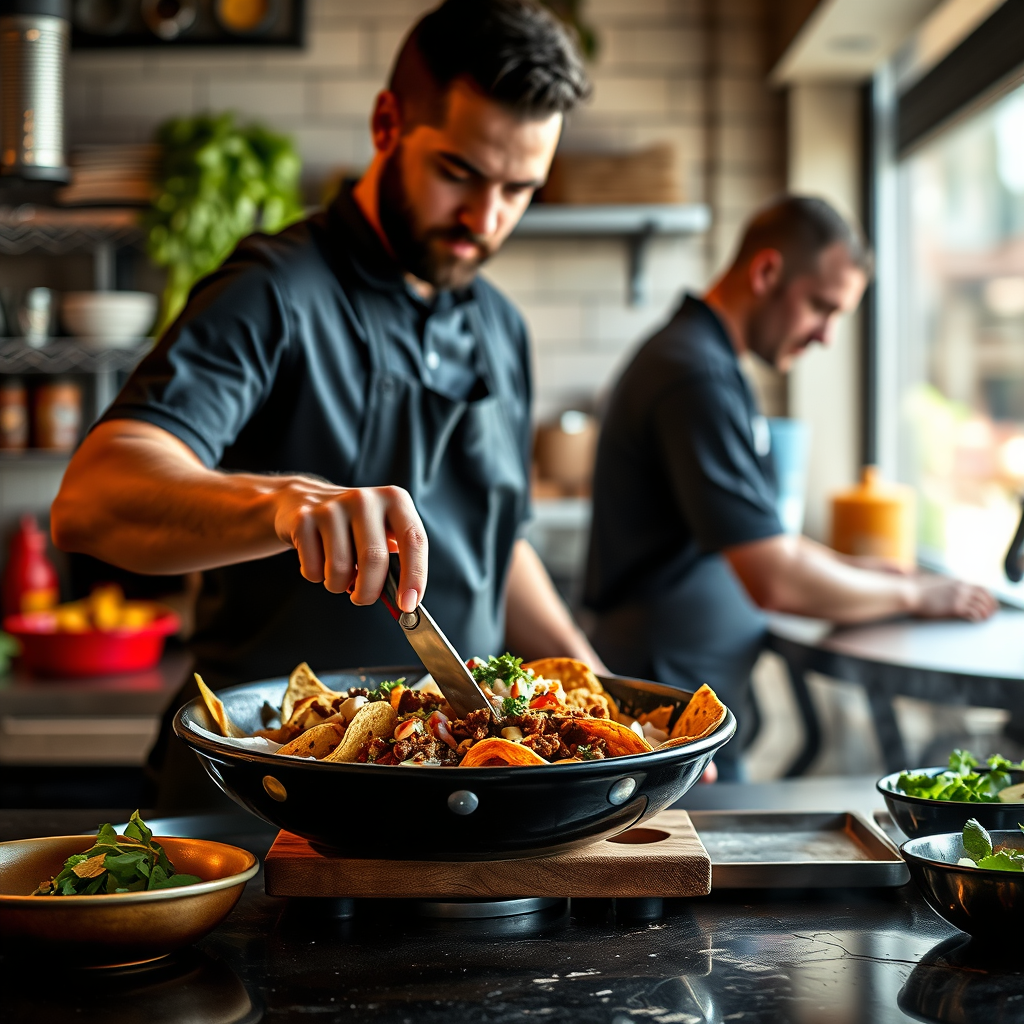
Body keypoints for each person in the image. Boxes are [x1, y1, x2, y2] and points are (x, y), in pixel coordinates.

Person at [51, 0, 605, 808]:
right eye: (460, 173)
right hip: (262, 804)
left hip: (458, 806)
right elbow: (90, 501)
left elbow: (495, 546)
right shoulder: (273, 290)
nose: (487, 219)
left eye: (520, 189)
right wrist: (284, 502)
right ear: (387, 124)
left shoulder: (500, 326)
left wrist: (608, 711)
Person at [584, 196, 997, 779]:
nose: (828, 336)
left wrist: (858, 571)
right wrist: (918, 597)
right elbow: (773, 577)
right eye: (821, 308)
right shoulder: (694, 373)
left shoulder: (708, 363)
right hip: (664, 692)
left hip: (684, 672)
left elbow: (763, 535)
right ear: (767, 272)